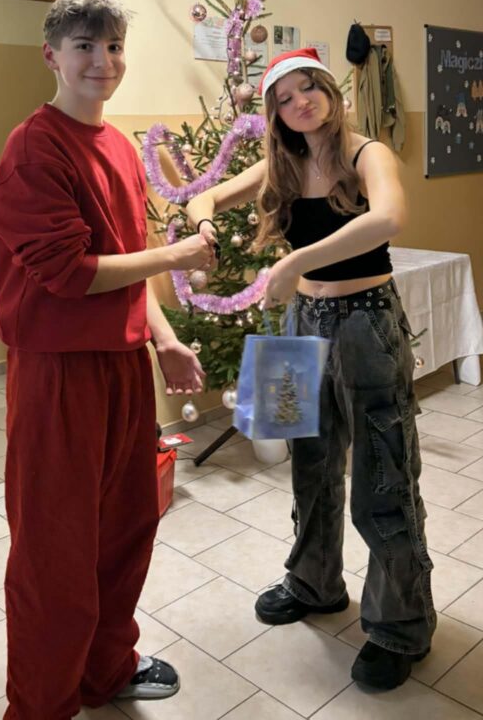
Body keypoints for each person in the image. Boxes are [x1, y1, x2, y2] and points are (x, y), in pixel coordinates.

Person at [0, 0, 214, 720]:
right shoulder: (33, 149)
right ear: (51, 56)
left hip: (121, 366)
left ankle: (105, 670)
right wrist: (177, 254)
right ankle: (42, 705)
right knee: (55, 551)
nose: (102, 61)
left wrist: (165, 340)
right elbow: (72, 274)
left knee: (125, 528)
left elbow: (126, 259)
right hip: (57, 373)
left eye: (113, 46)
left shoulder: (117, 145)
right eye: (84, 46)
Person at [186, 47, 435, 690]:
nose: (301, 102)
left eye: (309, 88)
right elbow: (204, 196)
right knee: (309, 466)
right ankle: (314, 583)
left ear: (329, 88)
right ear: (274, 111)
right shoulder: (283, 163)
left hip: (366, 324)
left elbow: (389, 217)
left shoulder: (366, 153)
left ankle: (400, 627)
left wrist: (295, 262)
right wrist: (206, 225)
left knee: (384, 478)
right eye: (285, 96)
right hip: (299, 326)